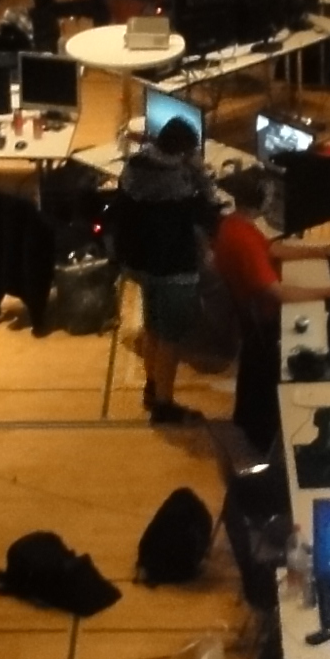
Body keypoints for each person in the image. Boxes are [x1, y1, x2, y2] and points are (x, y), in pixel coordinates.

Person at [210, 180, 330, 451]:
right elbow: (278, 293)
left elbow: (272, 250)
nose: (273, 201)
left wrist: (320, 251)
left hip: (251, 318)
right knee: (323, 339)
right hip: (264, 322)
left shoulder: (234, 223)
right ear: (260, 202)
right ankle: (268, 439)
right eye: (270, 197)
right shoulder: (245, 241)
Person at [119, 115, 217, 426]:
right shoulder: (180, 184)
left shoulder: (133, 168)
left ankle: (151, 387)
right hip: (175, 269)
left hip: (141, 264)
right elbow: (209, 210)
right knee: (170, 339)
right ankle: (164, 405)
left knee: (152, 326)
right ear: (185, 151)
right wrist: (200, 173)